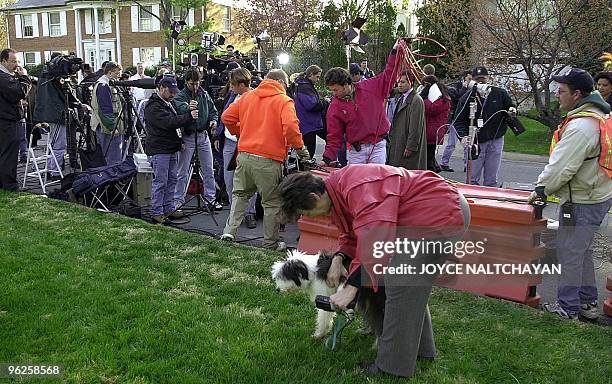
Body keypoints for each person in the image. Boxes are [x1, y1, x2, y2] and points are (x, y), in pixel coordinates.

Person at [278, 164, 470, 378]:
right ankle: (422, 352)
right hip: (431, 212)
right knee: (409, 290)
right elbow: (354, 233)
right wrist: (339, 257)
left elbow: (376, 238)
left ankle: (392, 369)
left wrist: (351, 288)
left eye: (306, 213)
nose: (309, 218)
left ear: (314, 197)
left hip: (439, 213)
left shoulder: (356, 186)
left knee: (400, 285)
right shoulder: (339, 189)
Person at [530, 68, 612, 320]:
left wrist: (540, 190)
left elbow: (561, 168)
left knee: (570, 253)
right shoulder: (599, 116)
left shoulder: (581, 127)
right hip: (597, 194)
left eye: (562, 91)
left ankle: (568, 307)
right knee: (582, 250)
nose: (557, 95)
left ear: (577, 94)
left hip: (582, 199)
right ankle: (587, 304)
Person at [220, 69, 309, 250]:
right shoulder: (284, 101)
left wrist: (240, 131)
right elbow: (291, 128)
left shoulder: (247, 97)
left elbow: (226, 117)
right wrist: (302, 151)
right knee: (271, 203)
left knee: (240, 195)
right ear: (282, 83)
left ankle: (229, 232)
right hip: (269, 160)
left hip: (244, 156)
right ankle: (270, 243)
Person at [323, 40, 400, 166]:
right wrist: (327, 158)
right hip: (356, 150)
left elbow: (389, 75)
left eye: (335, 89)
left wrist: (395, 52)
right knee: (357, 184)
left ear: (346, 84)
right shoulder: (335, 106)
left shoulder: (370, 87)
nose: (333, 93)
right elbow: (334, 136)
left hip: (378, 146)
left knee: (377, 182)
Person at [144, 77, 198, 224]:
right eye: (170, 91)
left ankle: (168, 208)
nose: (173, 94)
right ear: (162, 88)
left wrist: (179, 142)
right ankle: (157, 211)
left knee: (172, 179)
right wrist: (188, 116)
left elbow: (173, 125)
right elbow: (168, 123)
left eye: (174, 91)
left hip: (170, 147)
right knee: (161, 181)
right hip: (159, 149)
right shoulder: (153, 106)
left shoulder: (167, 103)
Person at [454, 66, 516, 186]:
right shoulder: (467, 98)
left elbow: (509, 106)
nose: (480, 82)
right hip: (476, 141)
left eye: (483, 78)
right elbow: (459, 120)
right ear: (473, 81)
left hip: (495, 139)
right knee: (472, 178)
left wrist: (512, 110)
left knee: (491, 178)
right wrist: (463, 136)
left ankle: (490, 199)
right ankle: (472, 200)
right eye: (477, 80)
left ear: (488, 78)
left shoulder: (499, 93)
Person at [172, 68, 221, 215]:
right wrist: (188, 108)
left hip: (203, 135)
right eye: (192, 83)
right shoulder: (180, 96)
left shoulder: (204, 95)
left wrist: (213, 121)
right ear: (186, 82)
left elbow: (213, 111)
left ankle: (210, 199)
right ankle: (177, 201)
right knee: (182, 171)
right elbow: (178, 107)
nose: (195, 86)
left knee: (208, 169)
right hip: (188, 136)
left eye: (197, 83)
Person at [215, 68, 259, 229]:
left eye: (233, 84)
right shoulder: (232, 96)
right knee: (229, 178)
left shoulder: (255, 98)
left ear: (241, 84)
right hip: (229, 142)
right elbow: (224, 115)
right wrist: (218, 135)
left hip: (247, 143)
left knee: (250, 180)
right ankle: (236, 213)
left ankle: (249, 213)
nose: (230, 87)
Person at [0, 48, 31, 191]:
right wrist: (24, 78)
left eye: (18, 61)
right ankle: (9, 185)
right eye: (13, 61)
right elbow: (18, 92)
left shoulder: (7, 77)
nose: (17, 65)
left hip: (7, 119)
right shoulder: (3, 77)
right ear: (3, 61)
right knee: (9, 154)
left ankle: (5, 183)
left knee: (6, 153)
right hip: (7, 121)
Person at [386, 70, 426, 170]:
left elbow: (416, 127)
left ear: (410, 82)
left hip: (406, 146)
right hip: (399, 143)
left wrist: (410, 147)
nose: (400, 84)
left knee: (408, 174)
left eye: (403, 82)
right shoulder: (402, 98)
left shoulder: (416, 100)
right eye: (399, 81)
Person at [90, 62, 125, 165]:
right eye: (117, 73)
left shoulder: (104, 84)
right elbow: (105, 109)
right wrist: (112, 127)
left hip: (106, 125)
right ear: (110, 72)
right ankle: (113, 177)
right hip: (107, 126)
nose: (119, 76)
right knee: (113, 157)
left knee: (111, 155)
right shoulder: (103, 86)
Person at [440, 70, 472, 172]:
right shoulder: (455, 87)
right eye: (469, 79)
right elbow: (459, 98)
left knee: (467, 143)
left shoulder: (473, 89)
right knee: (451, 143)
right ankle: (444, 163)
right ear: (464, 78)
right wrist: (464, 87)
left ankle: (467, 165)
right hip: (455, 119)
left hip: (465, 119)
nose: (471, 81)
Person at [293, 65, 327, 158]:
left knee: (308, 152)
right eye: (317, 77)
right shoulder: (305, 87)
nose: (318, 79)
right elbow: (312, 105)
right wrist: (324, 103)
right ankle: (306, 170)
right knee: (308, 153)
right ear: (311, 74)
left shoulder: (304, 85)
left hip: (308, 123)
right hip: (308, 124)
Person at [421, 75, 451, 172]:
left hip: (432, 132)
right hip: (430, 130)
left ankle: (433, 174)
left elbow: (432, 109)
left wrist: (424, 99)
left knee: (429, 158)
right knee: (428, 158)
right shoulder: (440, 98)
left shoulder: (442, 99)